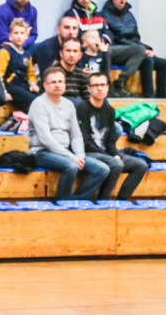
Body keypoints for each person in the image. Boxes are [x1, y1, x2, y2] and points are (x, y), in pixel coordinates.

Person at [28, 67, 109, 201]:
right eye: (53, 82)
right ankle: (62, 201)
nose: (58, 85)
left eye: (61, 81)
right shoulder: (38, 104)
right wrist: (71, 157)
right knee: (70, 166)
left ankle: (77, 200)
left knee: (102, 169)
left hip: (66, 152)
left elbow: (76, 135)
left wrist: (80, 155)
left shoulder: (69, 105)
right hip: (42, 152)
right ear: (45, 85)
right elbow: (45, 139)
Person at [76, 72, 148, 200]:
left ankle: (121, 201)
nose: (99, 88)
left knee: (141, 165)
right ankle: (104, 201)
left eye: (103, 85)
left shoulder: (109, 110)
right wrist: (111, 156)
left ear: (108, 87)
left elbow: (110, 141)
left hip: (105, 153)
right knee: (116, 164)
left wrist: (114, 153)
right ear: (89, 88)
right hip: (88, 153)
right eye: (95, 85)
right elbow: (84, 141)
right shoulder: (81, 108)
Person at [99, 0, 166, 98]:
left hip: (135, 50)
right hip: (117, 50)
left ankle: (161, 97)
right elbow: (115, 38)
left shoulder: (129, 15)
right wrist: (140, 49)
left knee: (162, 63)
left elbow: (135, 38)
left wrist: (147, 48)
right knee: (143, 55)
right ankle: (123, 82)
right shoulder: (104, 15)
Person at [0, 18, 38, 113]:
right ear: (10, 36)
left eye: (22, 33)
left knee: (41, 98)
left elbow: (30, 74)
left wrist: (33, 84)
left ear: (26, 36)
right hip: (11, 86)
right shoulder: (5, 52)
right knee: (33, 102)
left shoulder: (27, 54)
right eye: (16, 33)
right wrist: (4, 92)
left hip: (23, 85)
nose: (19, 36)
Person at [56, 38, 88, 103]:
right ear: (61, 53)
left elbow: (87, 99)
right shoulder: (52, 74)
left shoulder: (81, 74)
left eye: (75, 51)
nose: (71, 55)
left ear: (80, 55)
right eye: (68, 51)